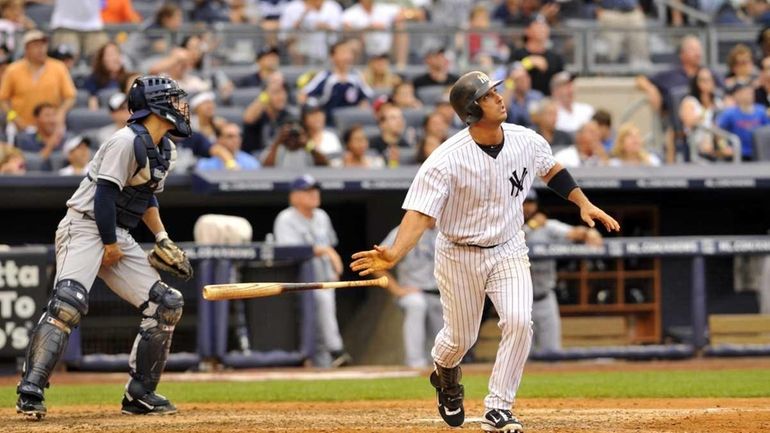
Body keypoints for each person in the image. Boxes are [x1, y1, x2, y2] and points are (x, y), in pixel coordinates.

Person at [350, 71, 620, 432]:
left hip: (508, 247)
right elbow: (419, 213)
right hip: (459, 252)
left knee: (520, 321)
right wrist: (395, 252)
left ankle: (499, 407)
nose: (499, 97)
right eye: (489, 94)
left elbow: (551, 169)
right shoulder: (446, 159)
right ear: (472, 109)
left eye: (496, 90)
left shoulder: (525, 139)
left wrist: (583, 203)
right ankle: (445, 372)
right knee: (460, 339)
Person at [15, 75, 194, 419]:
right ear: (156, 106)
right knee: (68, 303)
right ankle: (31, 391)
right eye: (174, 100)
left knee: (166, 303)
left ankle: (140, 394)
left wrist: (162, 239)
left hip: (117, 231)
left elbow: (146, 200)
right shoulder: (125, 141)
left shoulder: (165, 149)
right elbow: (104, 197)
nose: (181, 106)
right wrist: (110, 243)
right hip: (84, 226)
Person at [274, 174, 352, 367]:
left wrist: (332, 264)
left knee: (321, 321)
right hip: (299, 280)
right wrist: (326, 252)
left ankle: (325, 364)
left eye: (315, 190)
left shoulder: (322, 216)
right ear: (295, 196)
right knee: (322, 310)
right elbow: (289, 251)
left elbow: (330, 243)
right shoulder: (285, 218)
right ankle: (336, 351)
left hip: (324, 278)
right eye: (308, 191)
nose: (314, 194)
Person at [523, 189, 602, 352]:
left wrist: (589, 232)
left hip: (545, 297)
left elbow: (574, 233)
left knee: (552, 352)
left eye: (531, 203)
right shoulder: (508, 226)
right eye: (524, 203)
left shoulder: (547, 226)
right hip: (520, 301)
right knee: (523, 356)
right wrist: (531, 225)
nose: (527, 207)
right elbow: (518, 237)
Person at [379, 222, 442, 368]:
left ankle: (439, 370)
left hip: (440, 294)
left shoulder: (448, 229)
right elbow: (378, 265)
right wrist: (397, 290)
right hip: (413, 291)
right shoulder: (403, 230)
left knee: (438, 346)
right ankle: (414, 363)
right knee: (416, 304)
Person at [0, 30, 76, 132]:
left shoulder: (58, 67)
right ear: (26, 49)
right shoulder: (13, 70)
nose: (41, 49)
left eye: (43, 45)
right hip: (20, 124)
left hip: (50, 123)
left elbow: (70, 97)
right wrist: (13, 117)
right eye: (35, 45)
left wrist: (60, 113)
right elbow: (3, 99)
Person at [196, 122, 261, 171]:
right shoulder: (205, 163)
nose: (236, 140)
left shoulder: (251, 162)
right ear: (219, 139)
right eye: (230, 136)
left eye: (238, 136)